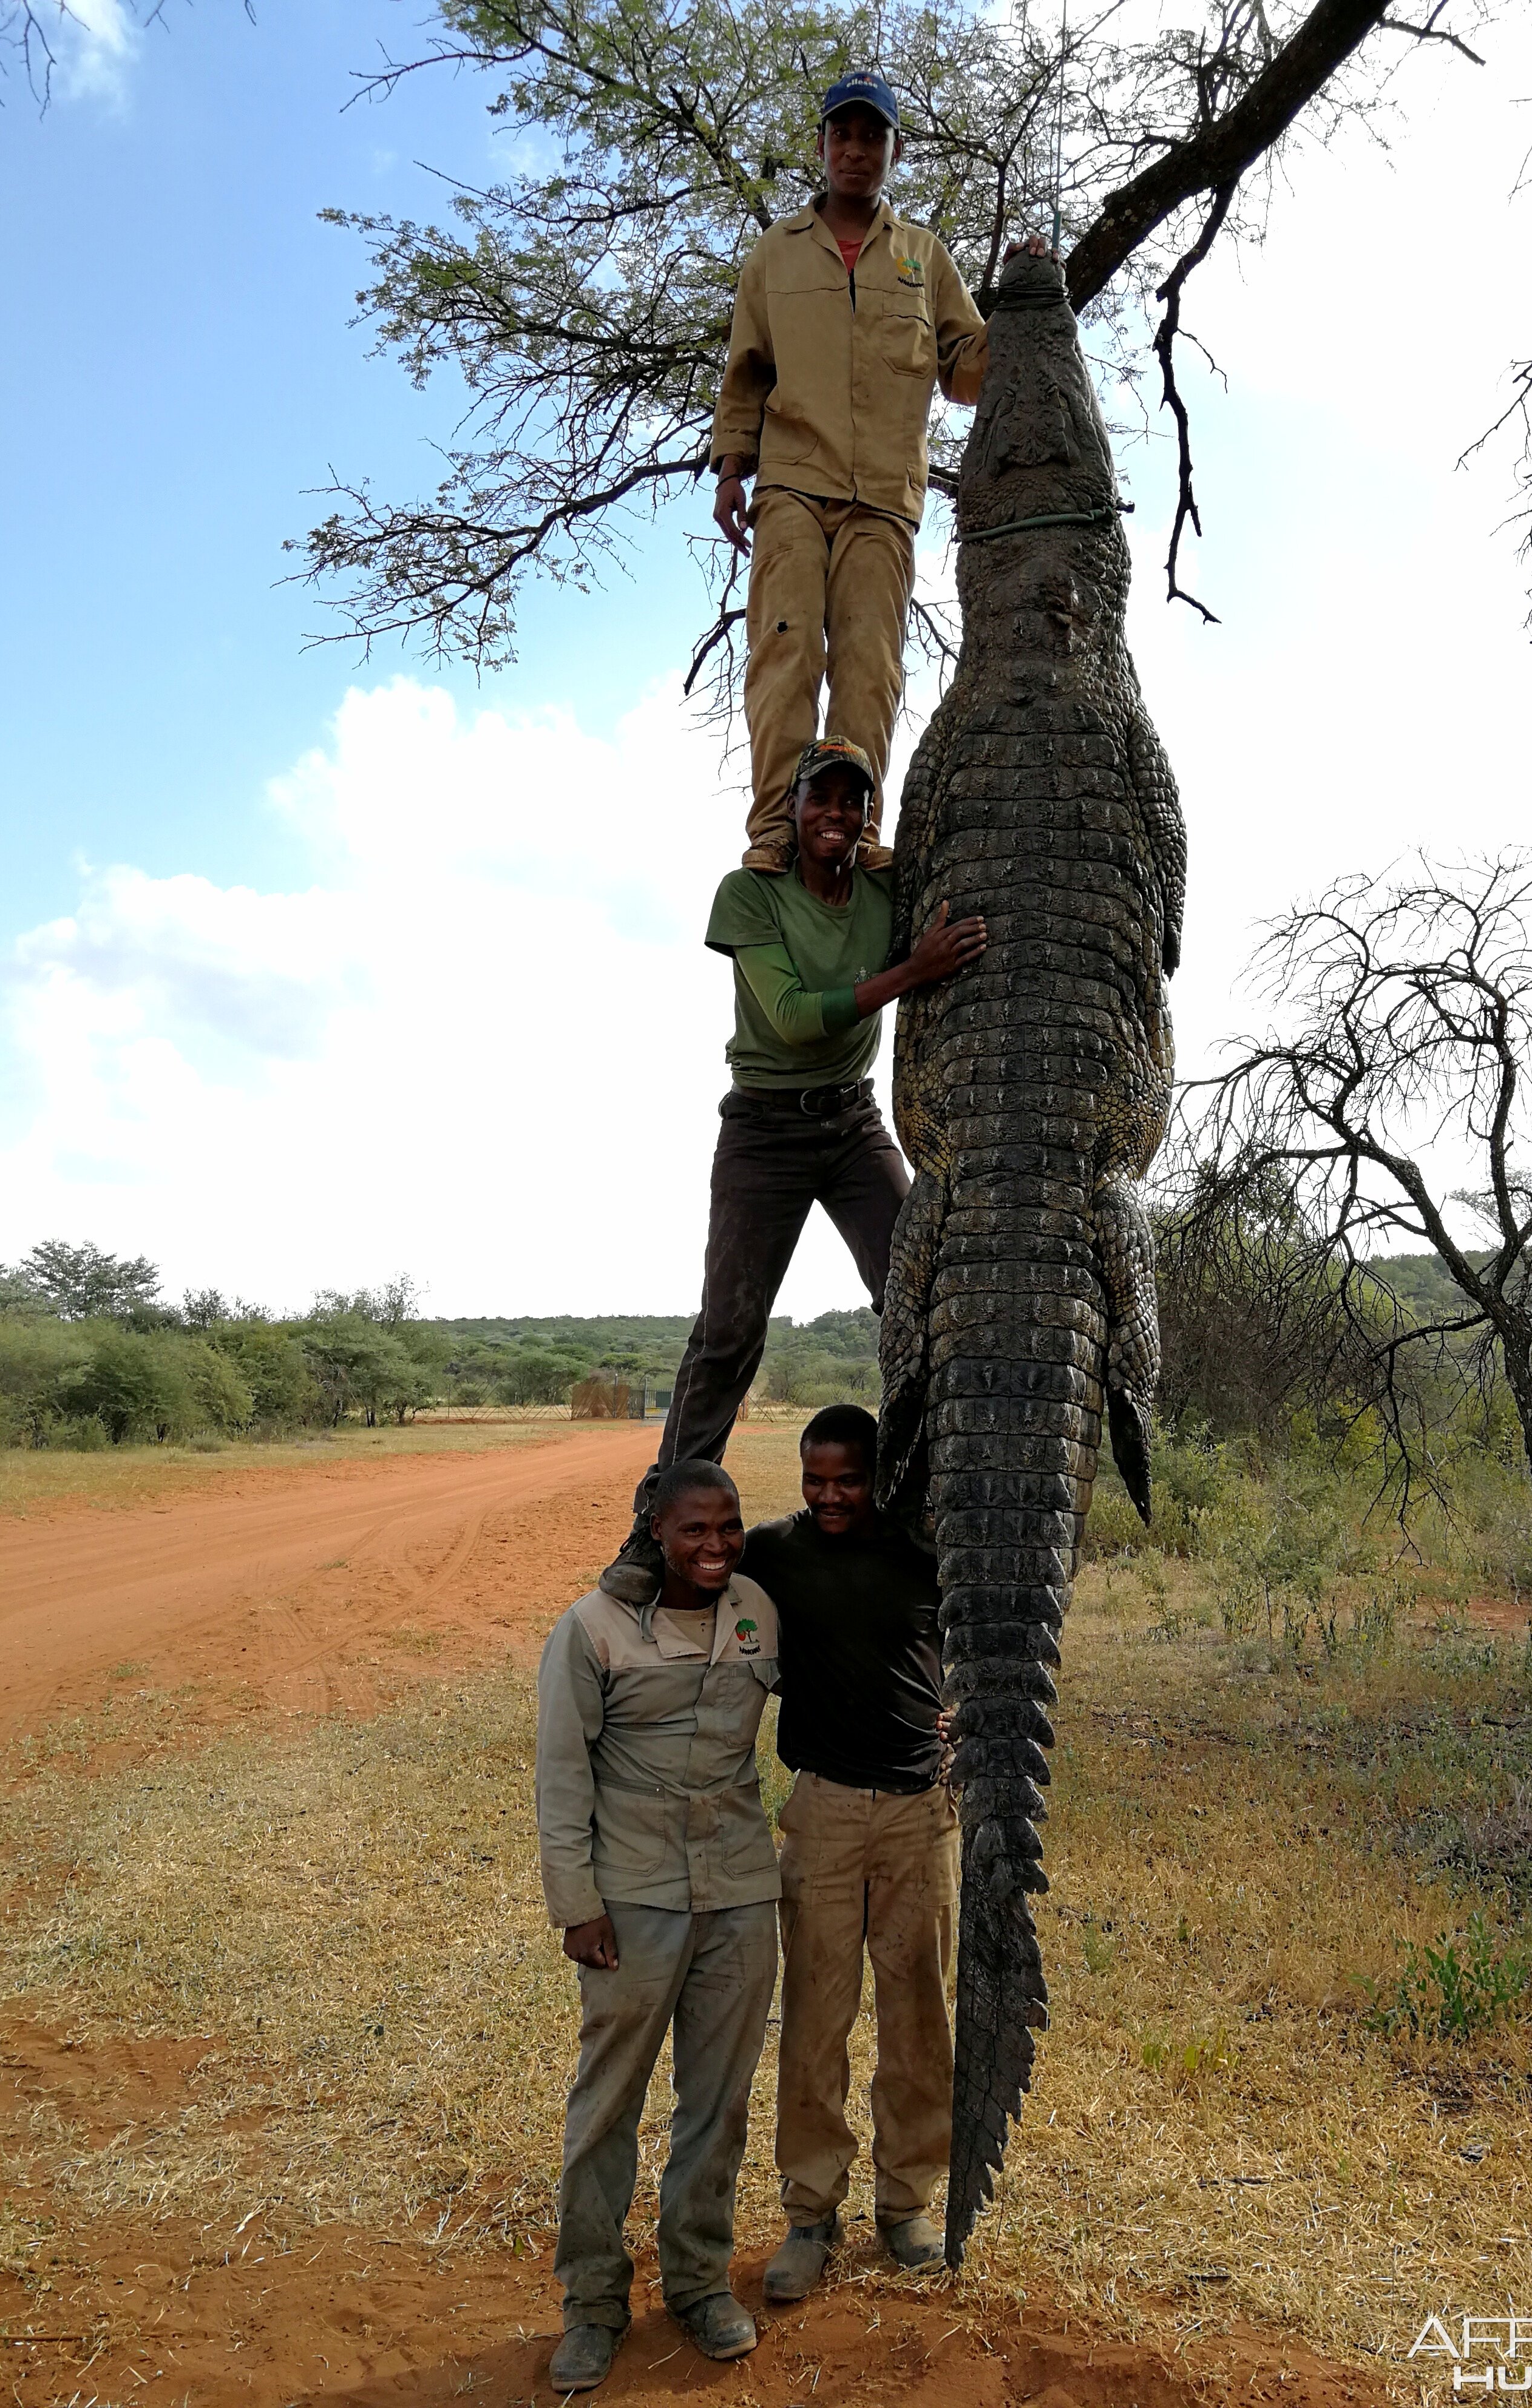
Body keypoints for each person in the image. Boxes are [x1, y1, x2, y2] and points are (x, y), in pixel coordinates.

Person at [600, 737, 986, 1605]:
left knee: (919, 1300)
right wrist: (912, 972)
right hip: (764, 1128)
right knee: (729, 1333)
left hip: (853, 1122)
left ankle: (916, 1504)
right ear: (794, 805)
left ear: (866, 816)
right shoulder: (749, 894)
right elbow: (789, 1018)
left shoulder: (885, 889)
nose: (835, 816)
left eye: (852, 802)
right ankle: (650, 1531)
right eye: (822, 798)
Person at [711, 69, 1046, 871]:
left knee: (870, 664)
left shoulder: (924, 259)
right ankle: (776, 829)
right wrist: (732, 470)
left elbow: (968, 372)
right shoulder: (774, 255)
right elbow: (746, 372)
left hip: (884, 500)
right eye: (842, 135)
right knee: (784, 651)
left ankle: (856, 831)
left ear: (893, 150)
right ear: (822, 146)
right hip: (791, 481)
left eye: (872, 137)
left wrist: (1024, 293)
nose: (855, 152)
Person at [536, 1459, 781, 2393]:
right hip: (631, 1897)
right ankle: (593, 2305)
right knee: (609, 2106)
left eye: (729, 1528)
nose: (715, 1547)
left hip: (740, 1892)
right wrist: (576, 1907)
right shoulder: (591, 1628)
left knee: (718, 2104)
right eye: (694, 1531)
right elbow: (562, 1777)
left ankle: (699, 2284)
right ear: (652, 1528)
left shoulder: (759, 1607)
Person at [739, 1404, 958, 2298]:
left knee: (918, 2018)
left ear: (880, 1476)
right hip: (822, 1810)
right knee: (816, 2019)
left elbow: (991, 1642)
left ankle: (906, 2205)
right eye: (816, 1480)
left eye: (849, 1480)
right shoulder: (771, 1553)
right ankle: (810, 2211)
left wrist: (969, 1713)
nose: (831, 1497)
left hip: (921, 1814)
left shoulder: (926, 1552)